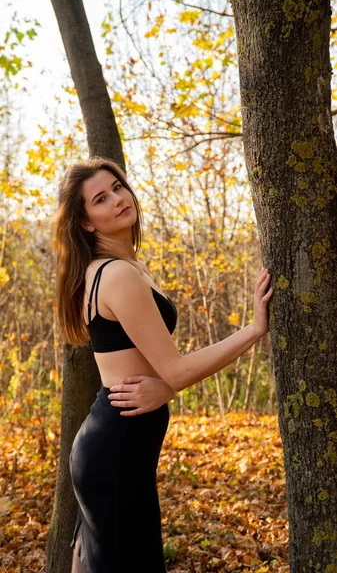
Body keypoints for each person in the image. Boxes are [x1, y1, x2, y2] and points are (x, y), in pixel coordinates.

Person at [52, 156, 273, 573]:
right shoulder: (117, 275)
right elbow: (174, 370)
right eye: (101, 198)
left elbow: (161, 375)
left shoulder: (123, 267)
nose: (118, 199)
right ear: (86, 222)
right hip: (115, 447)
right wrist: (253, 329)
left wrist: (165, 387)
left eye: (118, 187)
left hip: (118, 444)